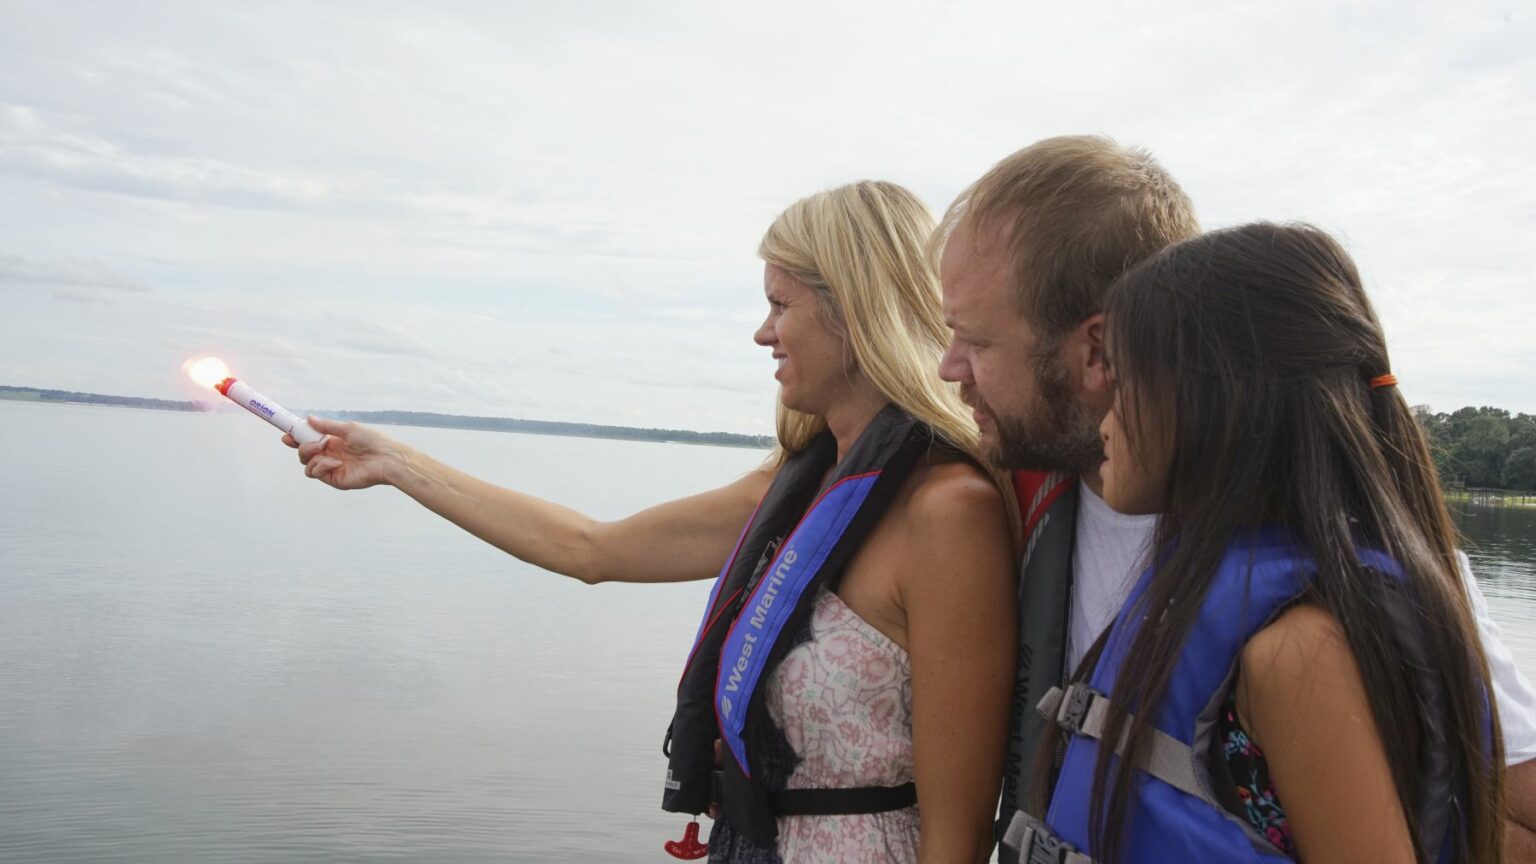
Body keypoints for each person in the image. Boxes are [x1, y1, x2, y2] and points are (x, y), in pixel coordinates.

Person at [288, 181, 1017, 863]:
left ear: (853, 311)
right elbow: (588, 549)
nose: (764, 334)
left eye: (780, 305)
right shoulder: (795, 492)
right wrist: (395, 463)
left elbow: (957, 840)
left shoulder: (946, 514)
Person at [932, 136, 1536, 862]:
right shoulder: (1001, 501)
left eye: (975, 340)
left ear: (1101, 353)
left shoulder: (1328, 613)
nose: (946, 369)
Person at [1032, 221, 1503, 861]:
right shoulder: (1231, 594)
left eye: (1121, 385)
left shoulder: (1302, 650)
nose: (1103, 421)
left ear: (1211, 400)